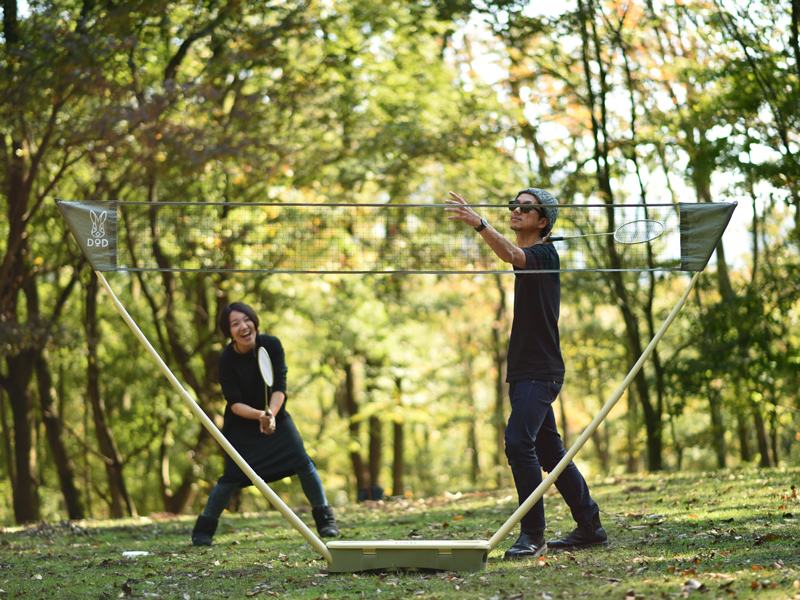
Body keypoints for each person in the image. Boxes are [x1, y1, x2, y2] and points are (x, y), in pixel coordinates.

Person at [445, 188, 608, 559]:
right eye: (513, 206)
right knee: (552, 454)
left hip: (541, 371)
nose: (516, 210)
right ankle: (589, 526)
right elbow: (514, 254)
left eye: (526, 207)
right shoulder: (534, 254)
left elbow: (513, 254)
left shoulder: (544, 254)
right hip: (523, 372)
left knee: (519, 442)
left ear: (543, 221)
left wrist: (480, 224)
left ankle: (533, 534)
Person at [191, 302, 339, 546]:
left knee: (303, 462)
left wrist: (271, 416)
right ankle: (203, 530)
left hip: (276, 416)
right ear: (229, 333)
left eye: (246, 320)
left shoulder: (271, 345)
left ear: (254, 320)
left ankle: (326, 522)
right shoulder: (226, 360)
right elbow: (235, 403)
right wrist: (260, 415)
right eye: (234, 324)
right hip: (241, 424)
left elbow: (279, 387)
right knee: (231, 477)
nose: (243, 326)